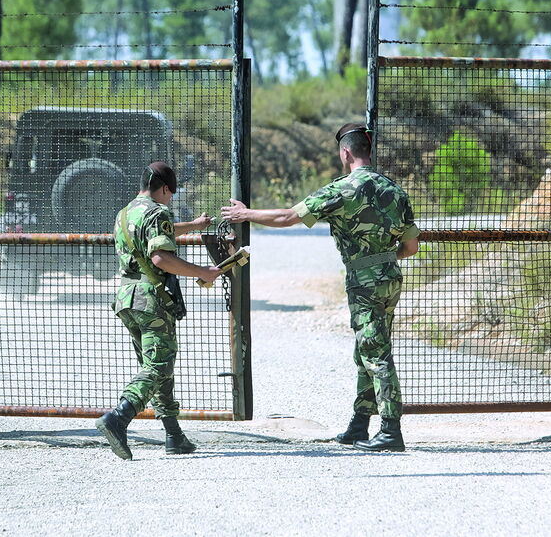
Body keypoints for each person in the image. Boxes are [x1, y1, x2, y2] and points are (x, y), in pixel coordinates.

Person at [221, 123, 419, 452]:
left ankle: (390, 430)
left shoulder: (342, 190)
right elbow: (411, 247)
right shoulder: (394, 191)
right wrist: (383, 257)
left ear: (345, 153)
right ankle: (359, 425)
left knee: (375, 354)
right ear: (367, 151)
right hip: (390, 276)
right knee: (366, 350)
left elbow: (288, 217)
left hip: (363, 280)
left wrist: (246, 214)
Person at [98, 161, 222, 460]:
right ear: (165, 189)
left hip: (128, 298)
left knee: (157, 367)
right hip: (151, 299)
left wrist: (193, 226)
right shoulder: (158, 211)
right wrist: (202, 272)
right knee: (158, 366)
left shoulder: (127, 212)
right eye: (171, 194)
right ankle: (119, 415)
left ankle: (174, 436)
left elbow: (154, 231)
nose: (170, 200)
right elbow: (160, 258)